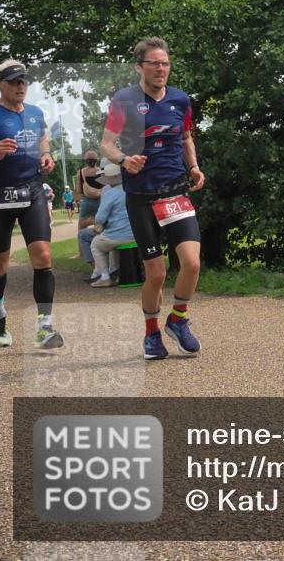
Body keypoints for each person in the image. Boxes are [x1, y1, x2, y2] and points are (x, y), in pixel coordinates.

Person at [100, 37, 206, 360]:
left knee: (191, 263)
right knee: (157, 273)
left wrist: (195, 167)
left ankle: (178, 319)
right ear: (140, 67)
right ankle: (151, 334)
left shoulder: (181, 100)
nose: (161, 69)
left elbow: (186, 136)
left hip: (175, 191)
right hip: (141, 197)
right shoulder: (124, 100)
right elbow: (107, 143)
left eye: (165, 63)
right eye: (154, 64)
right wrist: (123, 160)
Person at [0, 61, 63, 349]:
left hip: (32, 191)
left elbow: (42, 140)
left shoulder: (35, 113)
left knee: (44, 257)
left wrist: (47, 157)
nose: (21, 86)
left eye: (24, 81)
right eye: (14, 82)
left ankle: (45, 327)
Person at [88, 159, 134, 288]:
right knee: (111, 245)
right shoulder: (131, 189)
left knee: (95, 244)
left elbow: (100, 218)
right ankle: (115, 272)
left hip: (118, 236)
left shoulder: (110, 193)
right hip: (136, 235)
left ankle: (105, 276)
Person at [74, 150, 104, 228]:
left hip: (86, 201)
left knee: (81, 224)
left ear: (86, 161)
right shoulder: (101, 171)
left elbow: (79, 191)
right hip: (100, 201)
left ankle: (83, 239)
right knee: (100, 224)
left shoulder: (81, 172)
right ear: (96, 160)